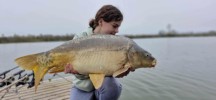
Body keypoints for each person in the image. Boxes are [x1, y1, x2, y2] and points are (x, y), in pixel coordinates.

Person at [64, 5, 134, 100]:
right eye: (115, 26)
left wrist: (121, 71)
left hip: (104, 86)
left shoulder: (115, 42)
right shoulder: (80, 38)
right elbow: (78, 76)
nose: (117, 31)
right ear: (101, 22)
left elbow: (110, 70)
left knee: (112, 86)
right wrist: (77, 71)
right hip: (83, 87)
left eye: (118, 27)